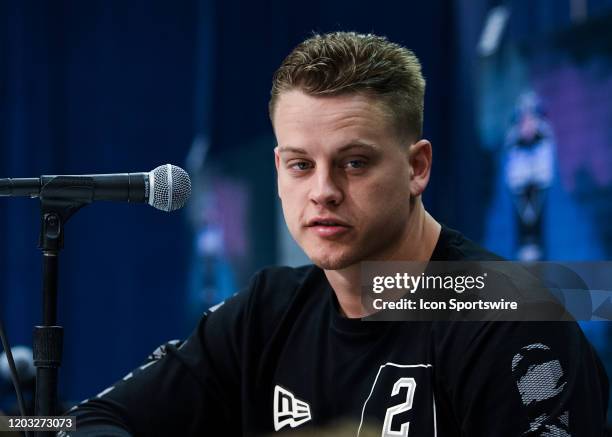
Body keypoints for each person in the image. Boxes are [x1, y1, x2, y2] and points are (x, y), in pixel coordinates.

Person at [60, 32, 608, 436]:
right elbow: (93, 421)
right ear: (277, 169)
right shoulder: (266, 311)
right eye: (301, 165)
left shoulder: (510, 317)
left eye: (353, 163)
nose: (322, 191)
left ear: (417, 167)